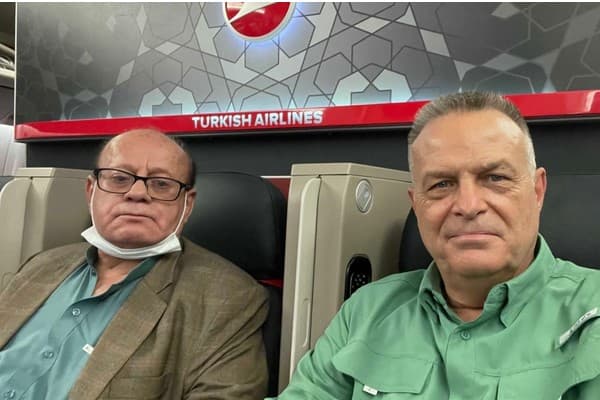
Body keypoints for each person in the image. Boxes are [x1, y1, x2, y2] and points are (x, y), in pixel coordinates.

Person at [272, 92, 600, 399]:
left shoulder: (593, 318)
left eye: (495, 178)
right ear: (417, 205)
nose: (468, 205)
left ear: (537, 191)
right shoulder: (367, 311)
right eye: (442, 184)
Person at [0, 129, 268, 399]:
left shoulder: (228, 299)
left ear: (187, 205)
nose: (137, 193)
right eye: (119, 178)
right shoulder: (40, 265)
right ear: (91, 190)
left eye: (161, 184)